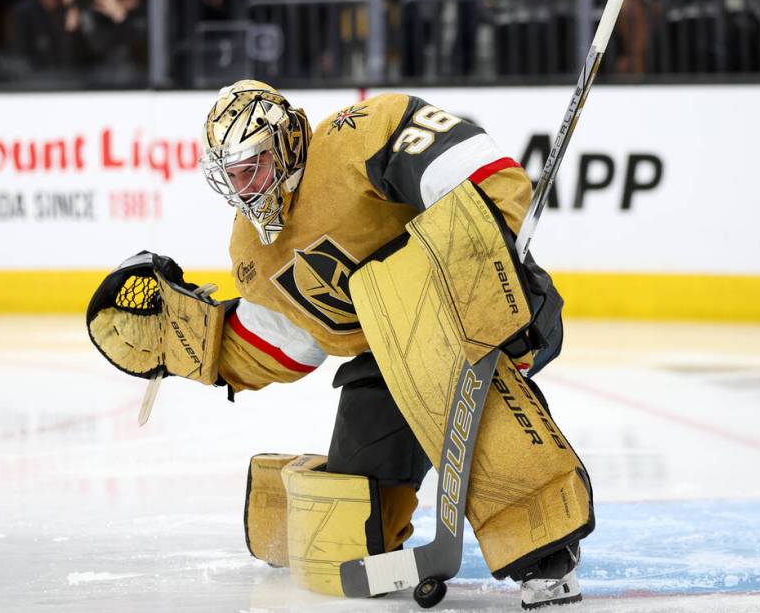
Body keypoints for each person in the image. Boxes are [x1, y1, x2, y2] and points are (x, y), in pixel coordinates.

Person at [86, 80, 594, 609]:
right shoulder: (252, 247)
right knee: (351, 527)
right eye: (231, 177)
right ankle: (343, 531)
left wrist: (486, 253)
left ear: (283, 142)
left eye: (252, 167)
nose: (244, 189)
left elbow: (478, 173)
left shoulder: (363, 134)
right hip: (389, 353)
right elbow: (290, 339)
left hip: (491, 302)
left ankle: (544, 548)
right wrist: (205, 348)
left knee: (438, 370)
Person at [6, 0, 89, 83]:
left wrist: (72, 16)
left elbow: (82, 63)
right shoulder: (24, 13)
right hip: (36, 89)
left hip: (72, 89)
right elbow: (18, 62)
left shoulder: (76, 10)